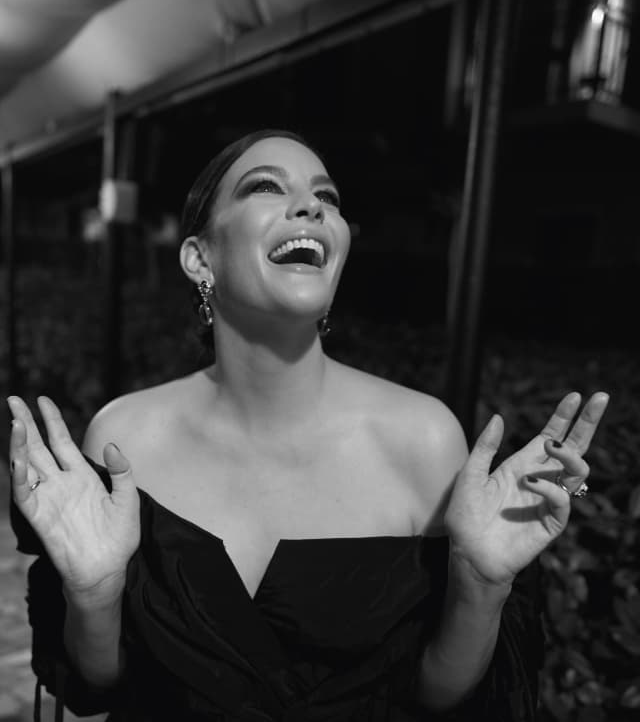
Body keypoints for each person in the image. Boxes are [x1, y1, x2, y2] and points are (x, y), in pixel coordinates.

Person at [8, 130, 609, 721]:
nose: (311, 206)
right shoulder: (126, 439)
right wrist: (93, 594)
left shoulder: (424, 438)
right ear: (199, 258)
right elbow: (100, 682)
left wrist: (480, 583)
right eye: (266, 187)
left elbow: (437, 695)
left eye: (329, 198)